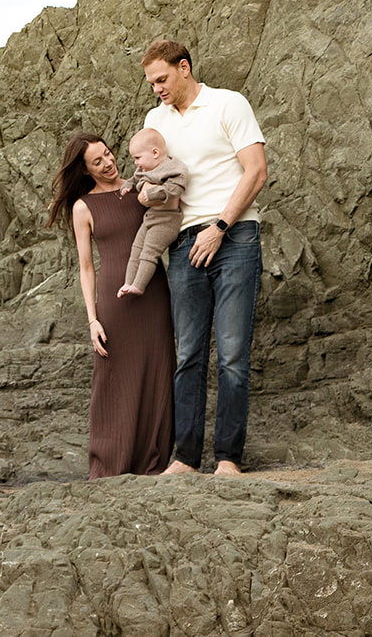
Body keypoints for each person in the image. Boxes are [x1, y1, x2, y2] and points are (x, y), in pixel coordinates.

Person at [141, 39, 267, 476]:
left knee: (232, 353)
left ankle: (228, 458)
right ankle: (185, 458)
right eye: (151, 82)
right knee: (188, 354)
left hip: (234, 237)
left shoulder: (228, 104)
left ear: (184, 67)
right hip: (182, 244)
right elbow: (154, 178)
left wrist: (220, 228)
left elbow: (257, 171)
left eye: (162, 79)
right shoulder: (154, 120)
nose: (156, 88)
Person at [48, 132, 175, 478]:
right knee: (114, 382)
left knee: (158, 372)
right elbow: (86, 267)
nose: (108, 163)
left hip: (153, 292)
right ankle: (109, 466)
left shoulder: (141, 186)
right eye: (97, 162)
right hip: (113, 304)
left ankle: (154, 463)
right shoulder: (83, 207)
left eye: (107, 154)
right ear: (86, 170)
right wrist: (92, 320)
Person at [118, 128, 186, 296]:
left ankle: (139, 286)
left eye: (137, 158)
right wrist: (128, 185)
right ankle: (128, 282)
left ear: (155, 152)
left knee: (149, 251)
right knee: (136, 249)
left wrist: (152, 193)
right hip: (150, 217)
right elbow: (135, 179)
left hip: (167, 220)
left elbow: (174, 190)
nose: (135, 163)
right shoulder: (145, 169)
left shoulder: (174, 168)